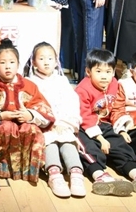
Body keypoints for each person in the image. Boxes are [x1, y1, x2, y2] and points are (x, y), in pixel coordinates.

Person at [75, 49, 136, 196]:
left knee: (120, 145)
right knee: (88, 148)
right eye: (99, 71)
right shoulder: (82, 89)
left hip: (105, 125)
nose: (104, 76)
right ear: (88, 72)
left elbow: (116, 108)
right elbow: (84, 116)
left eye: (108, 71)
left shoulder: (114, 83)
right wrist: (100, 138)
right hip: (83, 127)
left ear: (114, 71)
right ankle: (100, 176)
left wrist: (120, 129)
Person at [0, 39, 54, 185]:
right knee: (6, 127)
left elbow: (44, 109)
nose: (7, 67)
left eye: (12, 62)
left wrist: (30, 115)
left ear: (18, 64)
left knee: (31, 129)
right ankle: (1, 168)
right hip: (0, 128)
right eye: (2, 63)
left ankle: (27, 169)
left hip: (25, 126)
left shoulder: (29, 85)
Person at [24, 42, 86, 198]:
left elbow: (72, 102)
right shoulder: (30, 82)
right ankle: (55, 175)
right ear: (33, 62)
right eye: (41, 58)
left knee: (68, 141)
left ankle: (76, 174)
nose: (46, 62)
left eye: (50, 58)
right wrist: (50, 123)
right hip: (44, 125)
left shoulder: (62, 81)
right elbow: (32, 106)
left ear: (56, 61)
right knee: (49, 142)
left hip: (64, 123)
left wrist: (66, 123)